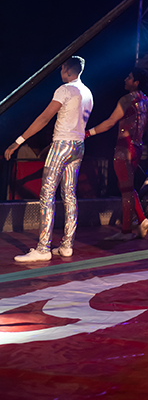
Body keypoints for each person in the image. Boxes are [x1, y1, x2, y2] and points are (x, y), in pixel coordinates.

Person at [4, 56, 93, 262]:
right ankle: (67, 245)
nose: (60, 71)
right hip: (78, 146)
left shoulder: (65, 90)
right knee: (69, 195)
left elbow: (44, 118)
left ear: (66, 69)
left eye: (61, 68)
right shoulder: (88, 92)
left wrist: (18, 141)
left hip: (62, 145)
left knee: (47, 195)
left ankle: (43, 248)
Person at [86, 68, 148, 241]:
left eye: (129, 77)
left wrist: (87, 133)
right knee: (127, 186)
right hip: (137, 147)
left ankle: (129, 229)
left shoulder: (127, 99)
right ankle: (139, 221)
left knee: (125, 187)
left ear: (136, 82)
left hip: (125, 147)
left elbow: (109, 123)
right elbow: (147, 126)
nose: (125, 79)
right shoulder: (146, 101)